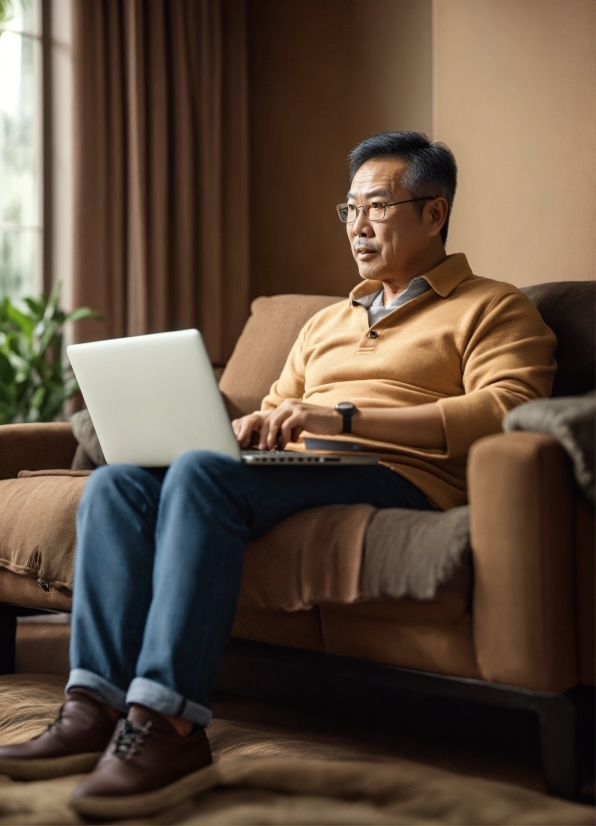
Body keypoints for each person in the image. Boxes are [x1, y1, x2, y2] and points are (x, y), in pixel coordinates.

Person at [0, 131, 556, 819]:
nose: (358, 225)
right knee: (118, 485)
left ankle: (167, 726)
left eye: (376, 206)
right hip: (295, 470)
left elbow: (509, 410)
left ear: (434, 213)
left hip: (398, 473)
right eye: (348, 209)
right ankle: (92, 709)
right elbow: (272, 410)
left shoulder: (494, 307)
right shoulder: (327, 321)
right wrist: (247, 429)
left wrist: (342, 419)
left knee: (203, 477)